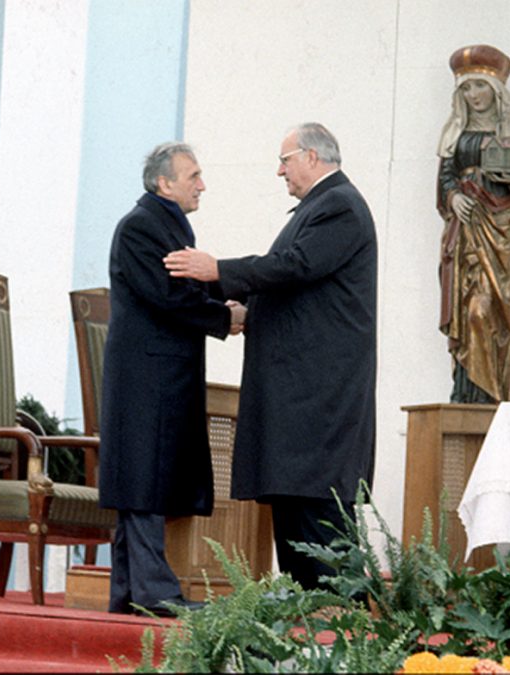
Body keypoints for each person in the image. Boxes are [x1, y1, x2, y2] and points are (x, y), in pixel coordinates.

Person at [163, 122, 377, 590]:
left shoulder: (338, 204)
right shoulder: (320, 206)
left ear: (313, 157)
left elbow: (296, 267)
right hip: (300, 397)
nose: (280, 171)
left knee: (321, 519)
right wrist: (245, 311)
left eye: (286, 159)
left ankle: (348, 629)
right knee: (297, 514)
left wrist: (216, 270)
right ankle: (309, 626)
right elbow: (299, 288)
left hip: (318, 397)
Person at [98, 142, 246, 616]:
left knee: (146, 479)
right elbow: (167, 296)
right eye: (193, 176)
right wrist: (225, 319)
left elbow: (186, 288)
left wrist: (224, 301)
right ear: (164, 183)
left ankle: (127, 592)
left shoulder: (163, 224)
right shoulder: (143, 227)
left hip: (159, 374)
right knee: (144, 480)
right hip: (147, 378)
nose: (202, 184)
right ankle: (155, 593)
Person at [436, 44, 510, 403]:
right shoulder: (455, 135)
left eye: (479, 87)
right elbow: (445, 176)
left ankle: (492, 389)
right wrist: (453, 196)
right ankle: (465, 388)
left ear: (495, 91)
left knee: (486, 308)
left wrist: (508, 182)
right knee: (466, 307)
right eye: (466, 88)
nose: (474, 95)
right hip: (463, 235)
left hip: (500, 234)